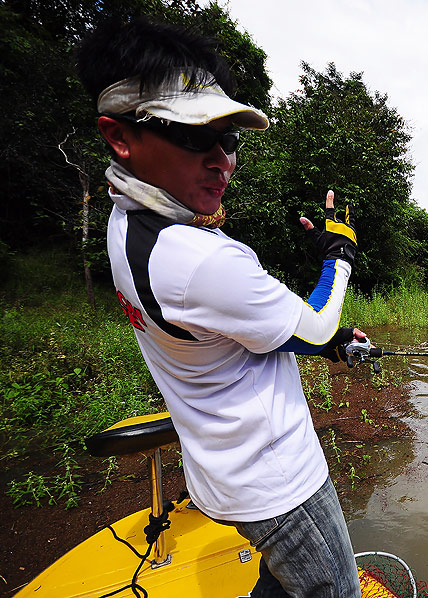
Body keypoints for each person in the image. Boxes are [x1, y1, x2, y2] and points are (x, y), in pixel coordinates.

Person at [77, 17, 363, 598]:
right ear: (120, 135)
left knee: (278, 584)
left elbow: (236, 332)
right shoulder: (201, 261)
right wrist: (339, 255)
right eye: (192, 137)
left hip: (220, 471)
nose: (222, 161)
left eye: (229, 139)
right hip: (278, 482)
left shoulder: (125, 225)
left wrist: (314, 334)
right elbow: (312, 330)